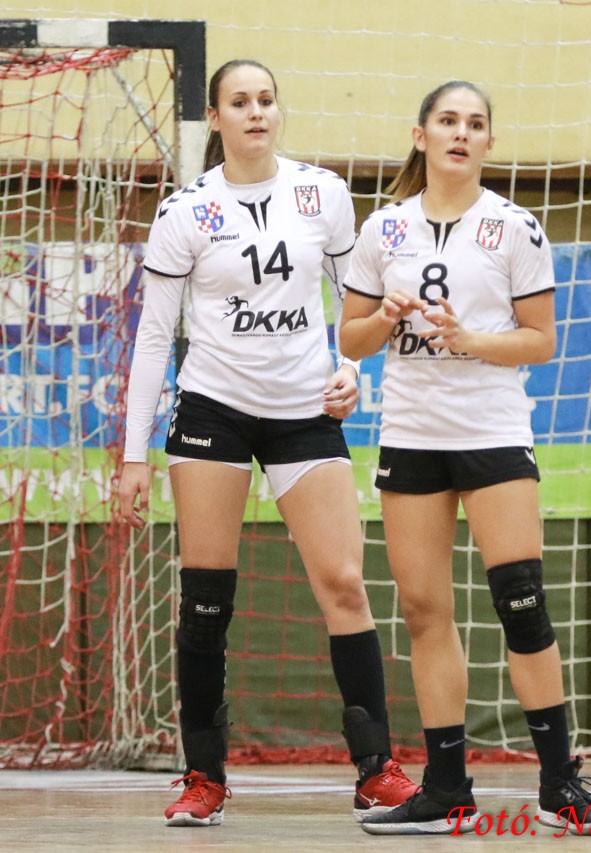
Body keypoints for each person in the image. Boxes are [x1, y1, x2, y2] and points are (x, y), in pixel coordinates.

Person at [116, 59, 417, 827]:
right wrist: (132, 455)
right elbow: (153, 336)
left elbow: (354, 308)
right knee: (206, 598)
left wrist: (351, 370)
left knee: (344, 582)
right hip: (213, 409)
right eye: (240, 102)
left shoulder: (323, 194)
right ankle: (204, 777)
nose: (257, 112)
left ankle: (376, 769)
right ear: (215, 118)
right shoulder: (186, 210)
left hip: (303, 408)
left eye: (267, 100)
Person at [338, 81, 591, 835]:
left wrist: (471, 340)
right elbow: (351, 338)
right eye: (448, 120)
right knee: (425, 611)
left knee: (521, 601)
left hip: (492, 431)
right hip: (412, 433)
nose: (461, 132)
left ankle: (558, 784)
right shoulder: (383, 228)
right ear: (421, 135)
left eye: (475, 123)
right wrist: (384, 316)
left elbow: (541, 341)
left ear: (489, 142)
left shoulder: (514, 227)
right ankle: (447, 787)